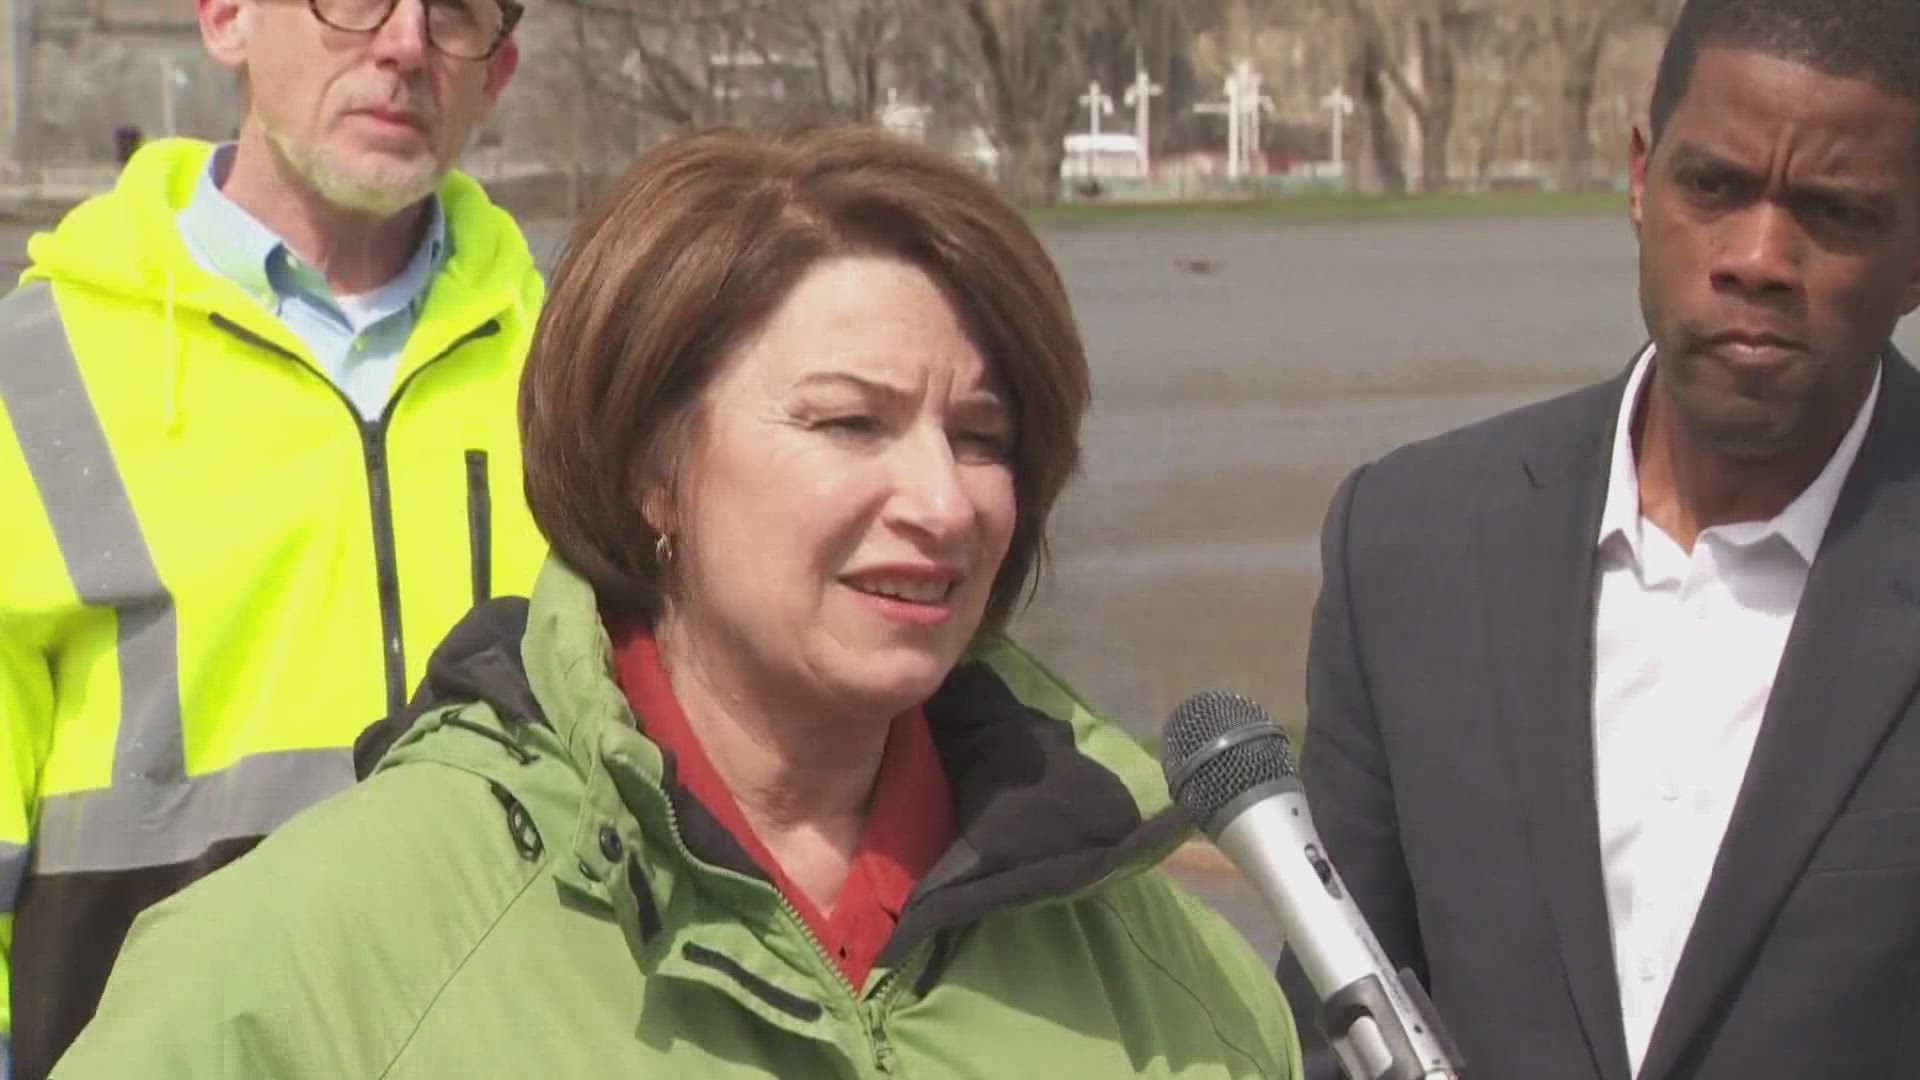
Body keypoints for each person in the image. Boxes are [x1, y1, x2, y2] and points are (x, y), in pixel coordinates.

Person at [49, 126, 1303, 1079]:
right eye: (851, 422)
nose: (942, 498)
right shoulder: (295, 976)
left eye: (982, 438)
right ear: (656, 464)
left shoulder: (1172, 980)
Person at [1280, 1, 1920, 1078]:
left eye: (1832, 211)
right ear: (1639, 178)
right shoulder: (1407, 543)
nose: (1759, 257)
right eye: (1713, 187)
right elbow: (1333, 1004)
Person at [0, 0, 540, 1073]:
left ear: (500, 70)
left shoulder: (582, 380)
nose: (403, 45)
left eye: (458, 14)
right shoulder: (30, 379)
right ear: (226, 17)